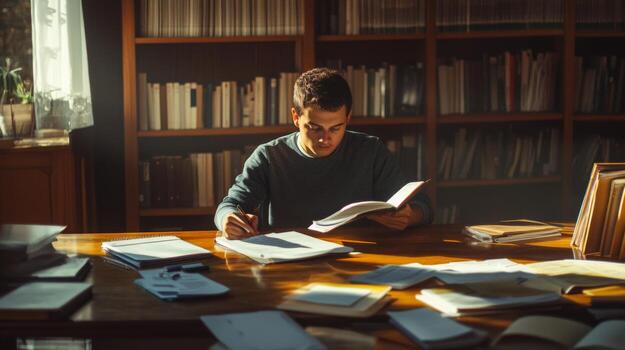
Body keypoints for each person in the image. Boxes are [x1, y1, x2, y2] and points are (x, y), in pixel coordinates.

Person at [215, 68, 432, 239]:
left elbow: (424, 206)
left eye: (336, 128)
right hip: (289, 259)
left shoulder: (370, 150)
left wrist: (409, 217)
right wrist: (229, 219)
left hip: (360, 257)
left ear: (348, 119)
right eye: (315, 127)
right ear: (296, 117)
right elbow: (228, 206)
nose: (325, 139)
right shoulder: (269, 157)